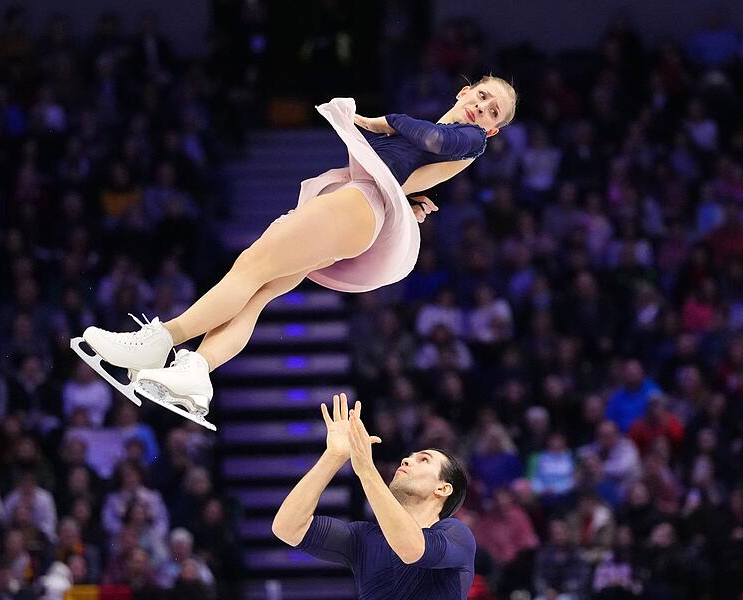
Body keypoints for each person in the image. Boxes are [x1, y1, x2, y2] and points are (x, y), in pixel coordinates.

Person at [72, 77, 517, 427]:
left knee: (249, 267)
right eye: (481, 95)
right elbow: (410, 166)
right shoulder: (440, 132)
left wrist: (386, 120)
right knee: (260, 288)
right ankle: (196, 372)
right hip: (359, 206)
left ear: (493, 128)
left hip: (358, 205)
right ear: (465, 91)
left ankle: (159, 342)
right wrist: (408, 189)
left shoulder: (468, 139)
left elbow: (435, 144)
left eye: (492, 111)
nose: (482, 107)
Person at [272, 393, 475, 599]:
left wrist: (367, 470)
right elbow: (287, 527)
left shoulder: (456, 534)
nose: (406, 460)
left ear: (443, 489)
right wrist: (333, 457)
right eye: (409, 457)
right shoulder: (364, 537)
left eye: (423, 460)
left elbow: (411, 549)